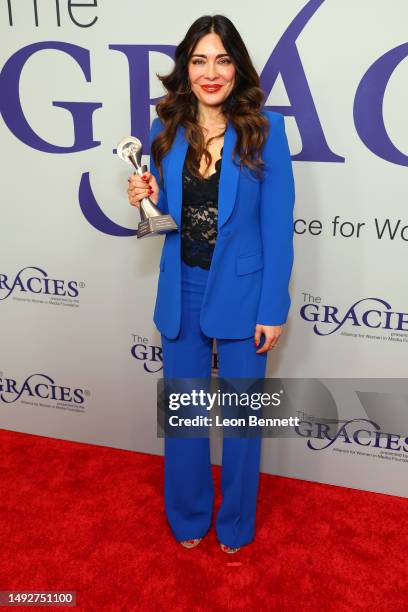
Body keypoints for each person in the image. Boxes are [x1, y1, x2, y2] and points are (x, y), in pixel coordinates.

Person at [127, 14, 295, 554]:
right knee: (185, 418)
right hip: (183, 288)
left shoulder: (266, 129)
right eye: (199, 60)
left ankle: (238, 524)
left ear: (237, 66)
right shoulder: (164, 129)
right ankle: (189, 515)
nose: (211, 72)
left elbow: (277, 226)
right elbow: (167, 218)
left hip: (247, 296)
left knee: (244, 426)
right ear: (186, 68)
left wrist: (273, 307)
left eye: (222, 60)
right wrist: (144, 196)